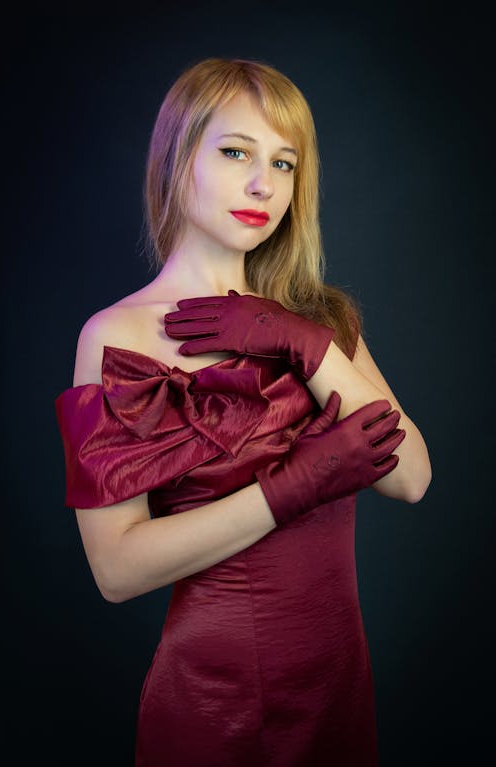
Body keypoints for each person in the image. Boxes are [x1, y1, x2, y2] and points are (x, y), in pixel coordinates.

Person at [55, 57, 432, 767]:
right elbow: (116, 569)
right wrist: (293, 485)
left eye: (285, 163)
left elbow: (412, 475)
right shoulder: (114, 337)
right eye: (236, 152)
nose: (265, 183)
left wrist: (304, 343)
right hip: (212, 700)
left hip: (338, 686)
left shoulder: (322, 321)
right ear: (176, 160)